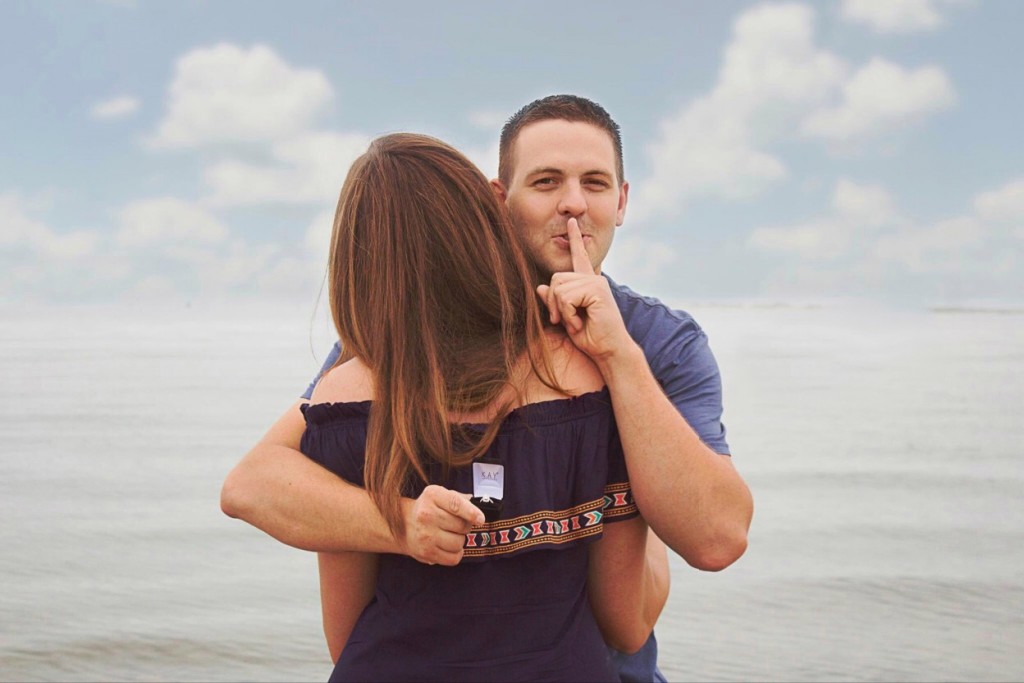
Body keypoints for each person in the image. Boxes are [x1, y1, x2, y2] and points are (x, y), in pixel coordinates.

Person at [222, 95, 753, 682]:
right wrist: (403, 523)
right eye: (546, 182)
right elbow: (256, 480)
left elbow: (717, 540)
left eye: (596, 183)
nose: (573, 204)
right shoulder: (402, 342)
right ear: (498, 202)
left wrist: (620, 358)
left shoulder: (661, 342)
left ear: (622, 201)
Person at [299, 132, 664, 681]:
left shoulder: (342, 397)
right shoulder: (590, 376)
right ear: (484, 229)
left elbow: (346, 633)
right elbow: (626, 620)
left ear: (358, 265)